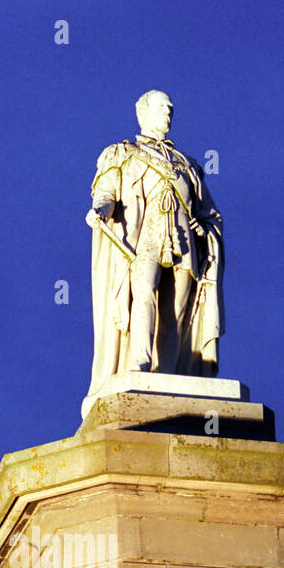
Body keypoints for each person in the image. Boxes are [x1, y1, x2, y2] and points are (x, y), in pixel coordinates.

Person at [85, 91, 223, 398]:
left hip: (183, 243)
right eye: (163, 106)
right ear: (143, 112)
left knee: (176, 310)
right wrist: (100, 211)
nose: (169, 110)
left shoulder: (187, 165)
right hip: (144, 239)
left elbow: (209, 214)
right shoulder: (122, 153)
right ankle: (140, 363)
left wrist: (205, 229)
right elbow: (107, 193)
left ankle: (167, 373)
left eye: (171, 107)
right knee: (143, 294)